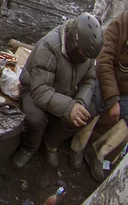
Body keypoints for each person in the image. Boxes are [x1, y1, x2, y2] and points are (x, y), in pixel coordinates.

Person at [11, 12, 103, 169]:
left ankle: (51, 142)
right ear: (73, 43)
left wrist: (79, 103)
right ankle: (29, 148)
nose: (84, 59)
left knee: (87, 112)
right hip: (35, 88)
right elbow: (40, 91)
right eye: (82, 55)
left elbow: (89, 80)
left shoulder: (86, 52)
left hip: (62, 91)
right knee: (35, 118)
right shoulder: (50, 47)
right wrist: (69, 107)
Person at [79, 12, 128, 181]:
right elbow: (104, 61)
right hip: (105, 79)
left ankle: (99, 151)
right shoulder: (120, 25)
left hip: (125, 89)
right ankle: (77, 146)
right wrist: (113, 98)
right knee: (98, 100)